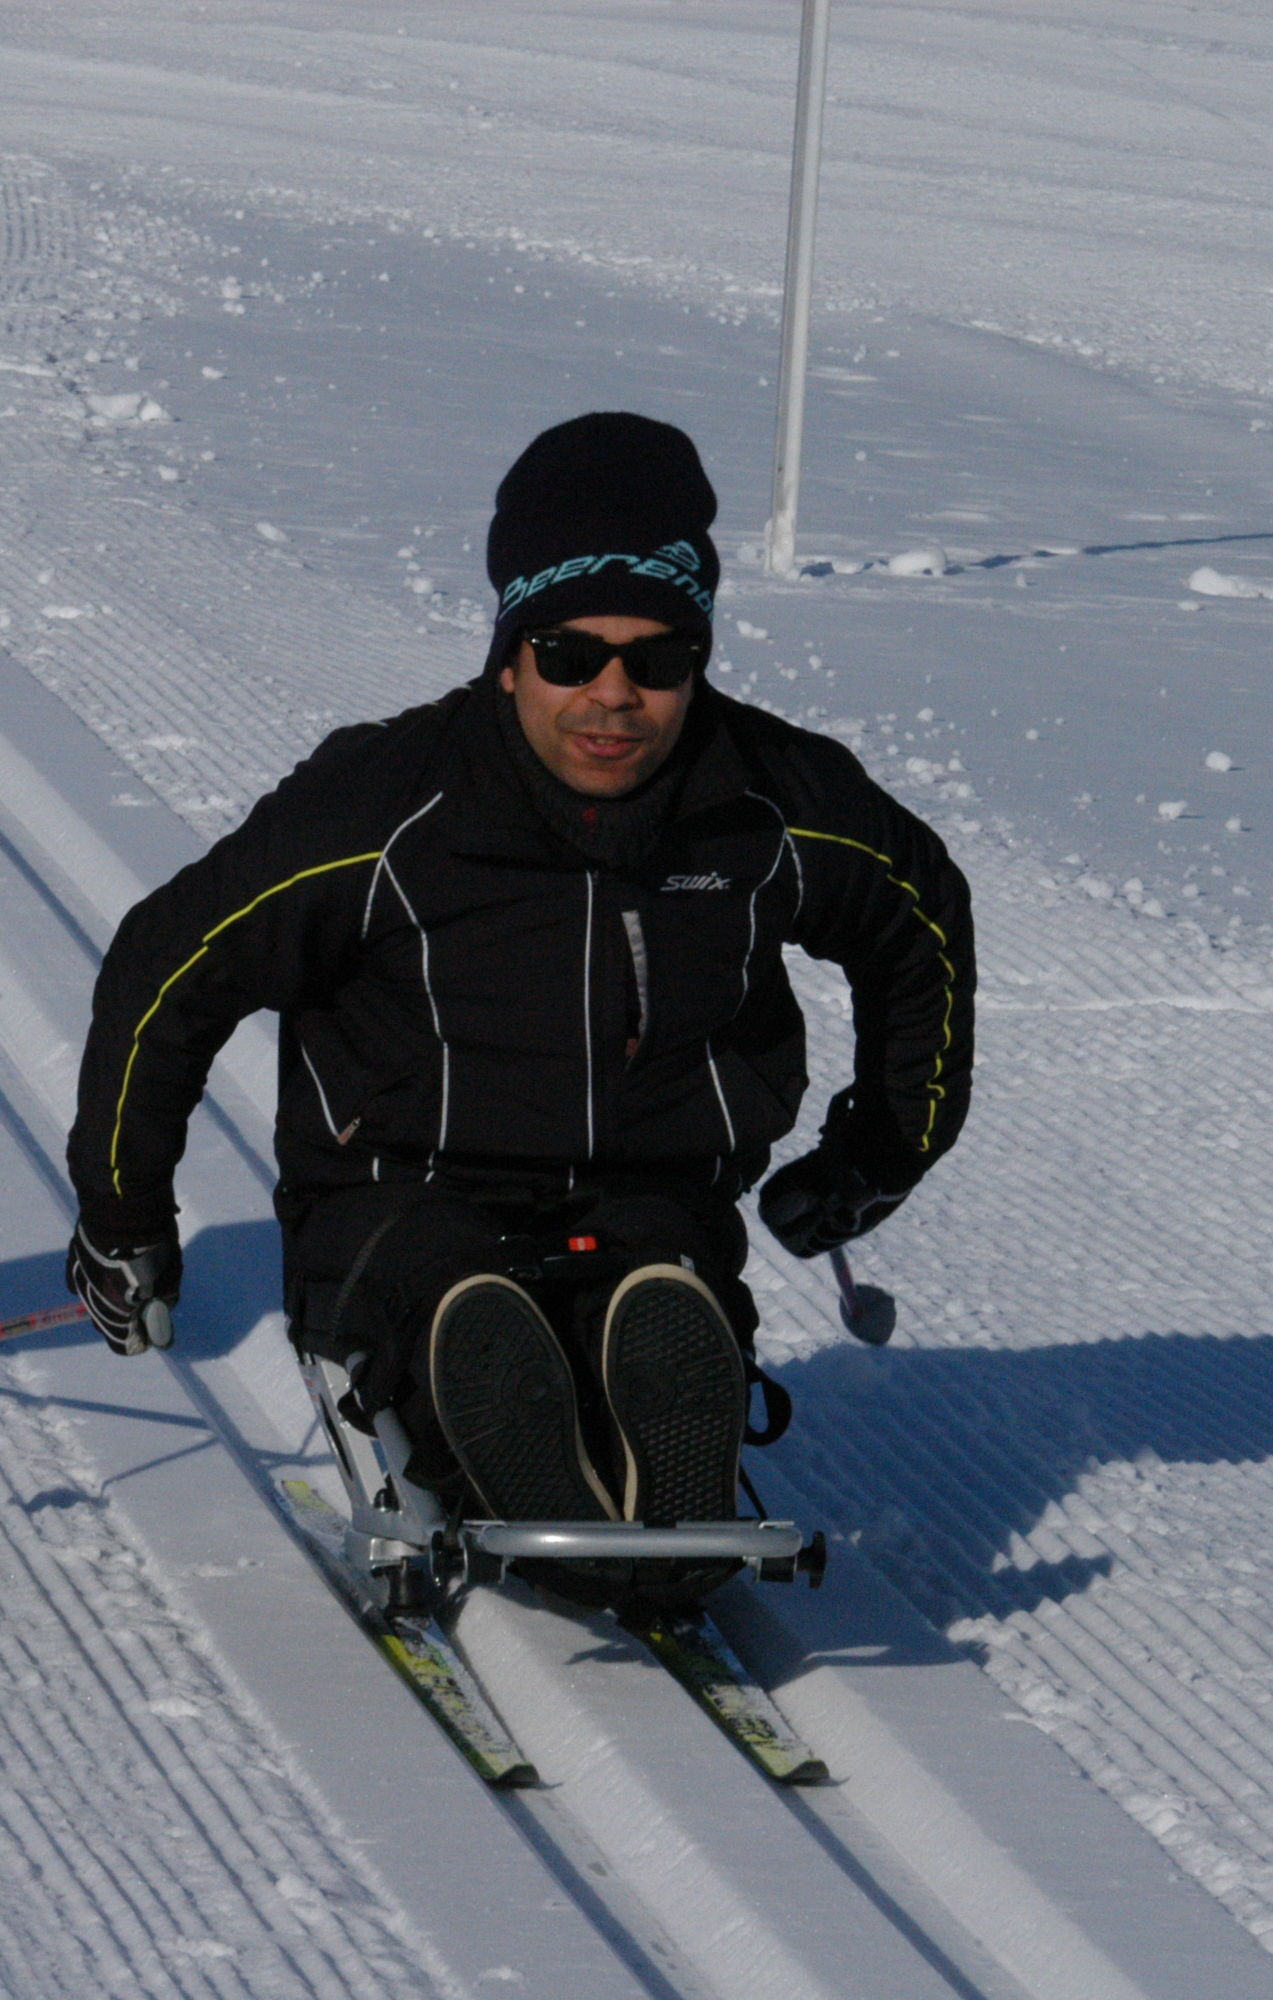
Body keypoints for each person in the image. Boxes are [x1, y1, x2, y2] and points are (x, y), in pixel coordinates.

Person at [59, 412, 971, 1606]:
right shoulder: (385, 806)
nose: (612, 695)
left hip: (652, 1186)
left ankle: (662, 1390)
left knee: (654, 1282)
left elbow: (920, 923)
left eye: (657, 659)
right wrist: (122, 1213)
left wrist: (879, 1148)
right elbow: (167, 968)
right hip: (399, 1186)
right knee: (449, 1299)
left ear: (698, 658)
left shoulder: (766, 804)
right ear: (506, 653)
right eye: (567, 652)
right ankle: (495, 1415)